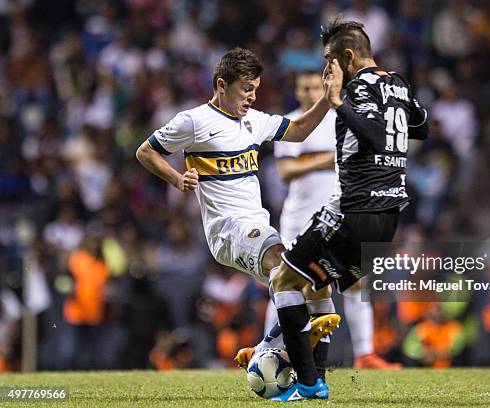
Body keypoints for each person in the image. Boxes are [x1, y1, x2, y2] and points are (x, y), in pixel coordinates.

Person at [135, 47, 341, 356]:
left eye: (255, 89)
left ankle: (268, 350)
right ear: (221, 85)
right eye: (246, 88)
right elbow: (145, 151)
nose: (252, 96)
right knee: (284, 263)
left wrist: (327, 97)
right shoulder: (193, 122)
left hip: (256, 225)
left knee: (307, 276)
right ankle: (299, 366)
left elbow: (298, 131)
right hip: (228, 230)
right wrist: (177, 179)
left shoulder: (254, 121)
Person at [267, 20, 428, 401]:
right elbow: (421, 128)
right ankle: (316, 381)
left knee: (283, 282)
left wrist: (339, 101)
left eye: (329, 61)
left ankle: (307, 381)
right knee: (318, 285)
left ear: (348, 57)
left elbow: (373, 136)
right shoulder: (398, 82)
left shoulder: (354, 89)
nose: (326, 70)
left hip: (353, 210)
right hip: (388, 218)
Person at [235, 70, 401, 370]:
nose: (311, 91)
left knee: (355, 282)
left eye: (315, 86)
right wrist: (328, 159)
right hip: (298, 219)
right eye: (305, 87)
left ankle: (364, 353)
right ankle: (268, 351)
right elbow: (285, 171)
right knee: (284, 282)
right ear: (297, 90)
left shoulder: (339, 120)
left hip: (335, 216)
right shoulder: (292, 124)